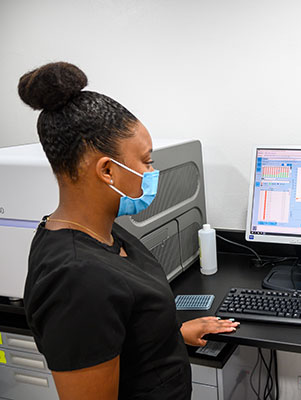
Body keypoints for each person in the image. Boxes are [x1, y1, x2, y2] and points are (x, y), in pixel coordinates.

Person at [19, 62, 239, 400]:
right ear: (108, 171)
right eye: (146, 161)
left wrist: (172, 333)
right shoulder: (76, 279)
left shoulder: (105, 233)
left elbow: (121, 327)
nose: (152, 172)